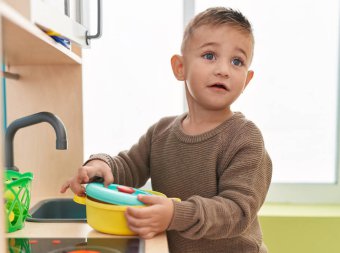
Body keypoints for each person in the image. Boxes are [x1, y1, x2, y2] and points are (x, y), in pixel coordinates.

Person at [61, 7, 272, 253]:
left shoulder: (245, 138)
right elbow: (128, 167)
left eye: (237, 61)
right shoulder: (161, 133)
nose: (223, 69)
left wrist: (175, 213)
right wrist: (100, 166)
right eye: (210, 55)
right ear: (179, 67)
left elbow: (237, 211)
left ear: (246, 80)